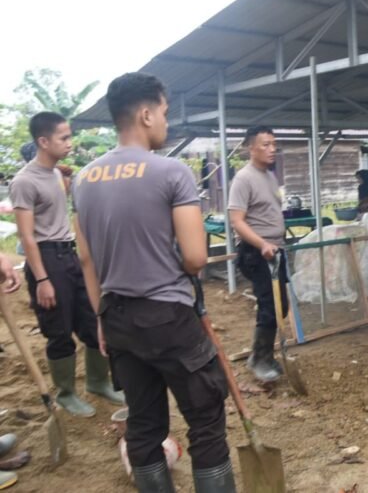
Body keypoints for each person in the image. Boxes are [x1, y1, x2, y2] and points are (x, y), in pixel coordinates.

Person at [72, 72, 234, 492]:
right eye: (163, 113)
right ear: (145, 114)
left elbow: (87, 260)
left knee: (143, 426)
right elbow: (196, 257)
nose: (166, 121)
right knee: (205, 422)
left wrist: (102, 320)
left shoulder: (84, 180)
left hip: (117, 319)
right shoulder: (171, 172)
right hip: (169, 318)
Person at [10, 112, 123, 418]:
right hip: (46, 258)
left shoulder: (57, 174)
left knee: (90, 318)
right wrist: (43, 279)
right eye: (64, 138)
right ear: (43, 142)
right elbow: (27, 236)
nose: (70, 143)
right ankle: (66, 392)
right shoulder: (24, 181)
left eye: (69, 136)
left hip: (69, 255)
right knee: (58, 329)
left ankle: (98, 381)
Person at [228, 125, 287, 383]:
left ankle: (264, 354)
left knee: (279, 305)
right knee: (269, 306)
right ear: (250, 147)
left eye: (273, 144)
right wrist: (262, 244)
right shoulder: (244, 178)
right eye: (265, 144)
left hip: (275, 250)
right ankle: (259, 359)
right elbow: (237, 221)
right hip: (257, 252)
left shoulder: (269, 176)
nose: (271, 149)